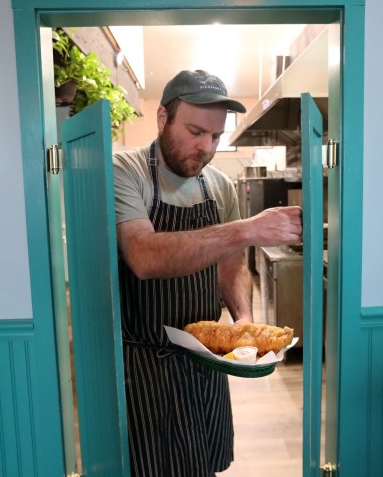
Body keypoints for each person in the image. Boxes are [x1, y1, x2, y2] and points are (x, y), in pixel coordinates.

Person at [113, 69, 303, 476]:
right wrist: (247, 229)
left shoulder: (218, 186)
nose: (206, 148)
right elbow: (144, 257)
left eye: (216, 137)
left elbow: (231, 265)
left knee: (204, 465)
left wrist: (245, 325)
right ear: (162, 118)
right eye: (196, 132)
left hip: (206, 362)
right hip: (146, 365)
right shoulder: (124, 171)